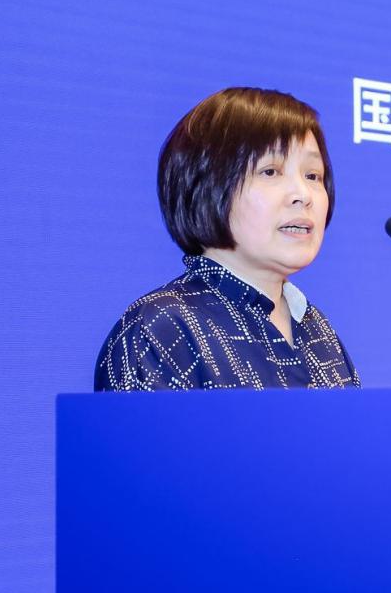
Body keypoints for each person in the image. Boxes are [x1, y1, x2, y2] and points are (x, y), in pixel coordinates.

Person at [94, 87, 360, 390]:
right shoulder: (161, 329)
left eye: (313, 176)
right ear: (207, 184)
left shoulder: (317, 330)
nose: (303, 195)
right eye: (270, 171)